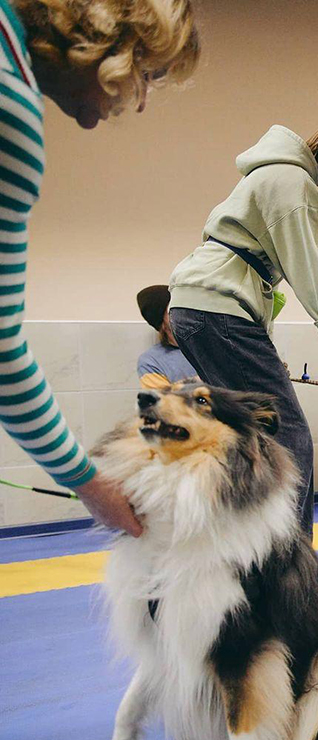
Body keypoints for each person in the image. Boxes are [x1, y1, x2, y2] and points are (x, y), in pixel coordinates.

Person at [169, 119, 318, 593]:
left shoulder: (268, 174)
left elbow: (253, 269)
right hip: (216, 311)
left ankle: (242, 560)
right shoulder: (293, 180)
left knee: (247, 438)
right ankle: (295, 576)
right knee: (290, 435)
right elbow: (309, 276)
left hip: (195, 309)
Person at [0, 0, 198, 536]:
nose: (138, 101)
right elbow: (1, 349)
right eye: (147, 74)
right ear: (112, 44)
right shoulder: (10, 107)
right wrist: (89, 481)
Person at [136, 285, 196, 388]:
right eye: (174, 308)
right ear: (161, 321)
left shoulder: (209, 345)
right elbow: (163, 401)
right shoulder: (151, 361)